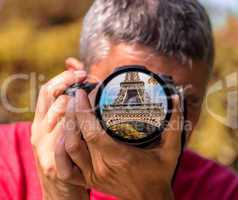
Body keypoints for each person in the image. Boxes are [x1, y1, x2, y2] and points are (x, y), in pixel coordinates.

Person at [0, 0, 238, 199]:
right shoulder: (7, 159)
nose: (162, 118)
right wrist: (58, 193)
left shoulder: (223, 190)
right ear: (76, 81)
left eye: (183, 101)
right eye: (122, 96)